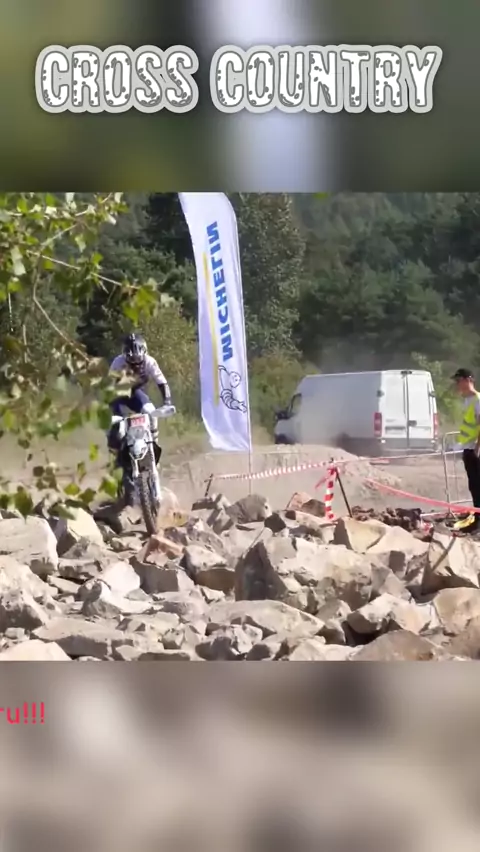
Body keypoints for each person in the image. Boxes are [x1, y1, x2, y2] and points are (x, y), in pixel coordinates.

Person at [108, 332, 173, 454]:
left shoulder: (150, 362)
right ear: (124, 356)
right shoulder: (118, 362)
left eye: (138, 360)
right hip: (118, 395)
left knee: (152, 413)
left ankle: (154, 445)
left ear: (144, 354)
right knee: (118, 426)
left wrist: (167, 402)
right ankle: (115, 451)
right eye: (131, 361)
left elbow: (162, 382)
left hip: (136, 394)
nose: (135, 364)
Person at [452, 368, 480, 532]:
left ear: (468, 380)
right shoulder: (467, 400)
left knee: (478, 486)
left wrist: (478, 447)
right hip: (468, 449)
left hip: (476, 450)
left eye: (459, 380)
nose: (457, 384)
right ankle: (477, 520)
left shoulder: (477, 400)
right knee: (474, 486)